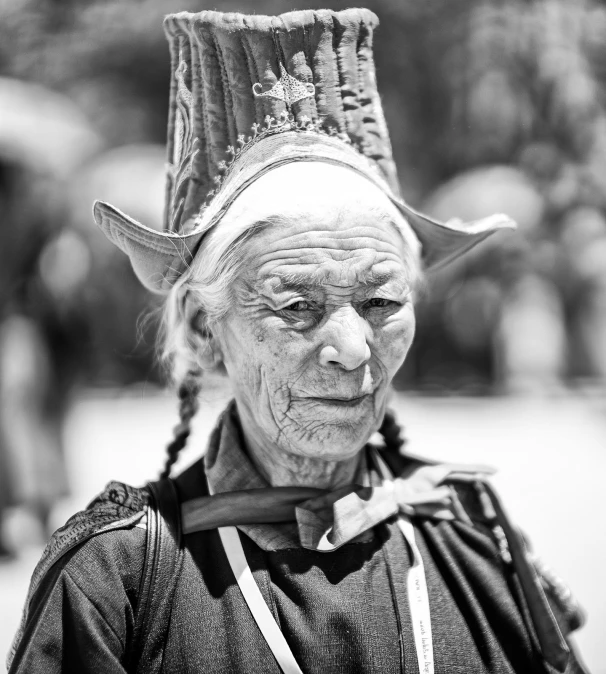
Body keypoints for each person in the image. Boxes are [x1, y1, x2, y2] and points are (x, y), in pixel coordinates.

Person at [8, 9, 587, 673]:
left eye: (381, 302)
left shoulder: (474, 538)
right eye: (297, 306)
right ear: (203, 331)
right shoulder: (117, 580)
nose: (354, 348)